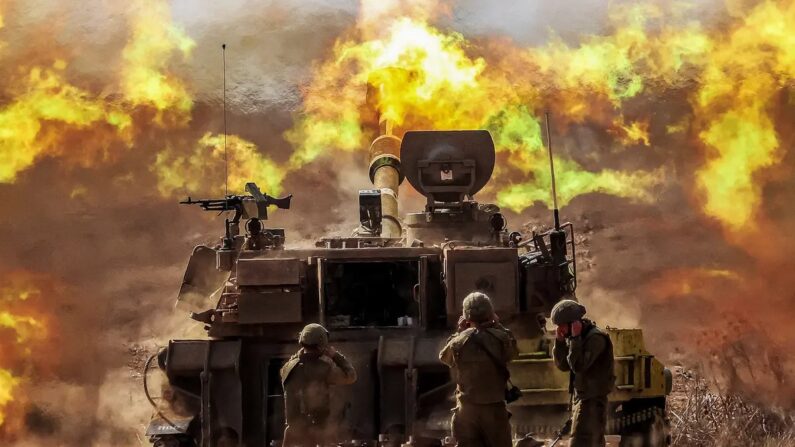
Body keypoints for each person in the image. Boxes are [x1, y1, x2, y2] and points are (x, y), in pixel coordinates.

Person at [439, 292, 519, 447]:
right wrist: (498, 325)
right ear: (490, 313)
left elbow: (445, 358)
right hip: (494, 410)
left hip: (466, 411)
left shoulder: (458, 342)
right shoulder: (501, 338)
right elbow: (512, 353)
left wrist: (458, 332)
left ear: (466, 317)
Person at [551, 300, 615, 447]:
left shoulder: (595, 339)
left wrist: (574, 339)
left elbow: (578, 366)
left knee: (582, 442)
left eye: (562, 325)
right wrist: (560, 342)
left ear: (573, 324)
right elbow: (563, 365)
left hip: (592, 401)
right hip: (583, 399)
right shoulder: (577, 338)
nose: (559, 329)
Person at [280, 323, 357, 446]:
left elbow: (297, 361)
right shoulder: (324, 369)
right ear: (321, 346)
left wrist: (301, 354)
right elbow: (351, 375)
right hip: (316, 433)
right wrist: (335, 356)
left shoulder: (287, 367)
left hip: (292, 435)